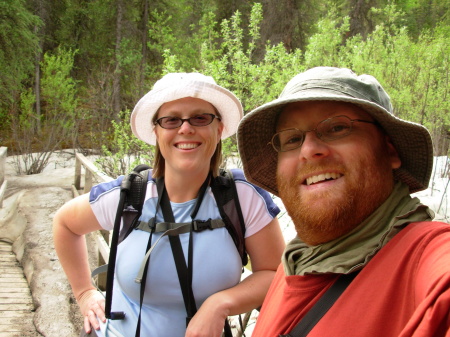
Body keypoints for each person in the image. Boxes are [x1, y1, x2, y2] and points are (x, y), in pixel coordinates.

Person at [53, 72, 285, 337]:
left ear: (219, 129)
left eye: (200, 118)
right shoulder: (130, 196)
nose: (185, 128)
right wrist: (84, 293)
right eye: (171, 120)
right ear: (156, 131)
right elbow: (65, 224)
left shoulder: (242, 196)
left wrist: (220, 304)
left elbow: (275, 274)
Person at [237, 66, 450, 336]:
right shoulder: (295, 261)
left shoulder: (425, 261)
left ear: (390, 151)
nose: (309, 149)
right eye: (292, 139)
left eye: (337, 127)